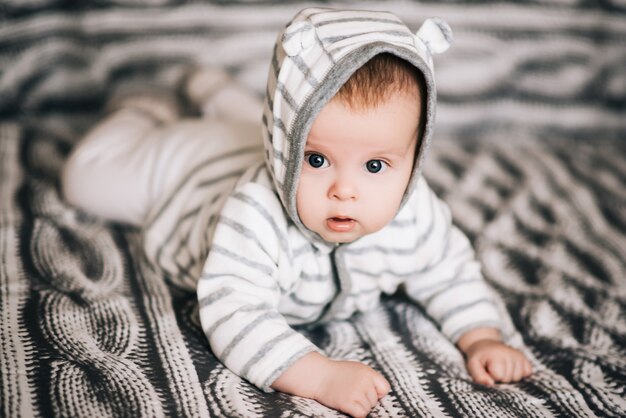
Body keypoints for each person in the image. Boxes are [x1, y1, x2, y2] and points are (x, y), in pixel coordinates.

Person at [62, 7, 532, 418]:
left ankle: (213, 89)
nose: (344, 190)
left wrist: (480, 335)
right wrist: (318, 375)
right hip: (189, 171)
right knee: (84, 179)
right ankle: (145, 106)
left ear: (414, 158)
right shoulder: (255, 213)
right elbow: (233, 311)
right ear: (286, 149)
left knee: (256, 124)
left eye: (374, 165)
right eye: (316, 160)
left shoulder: (415, 212)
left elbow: (448, 269)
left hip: (254, 134)